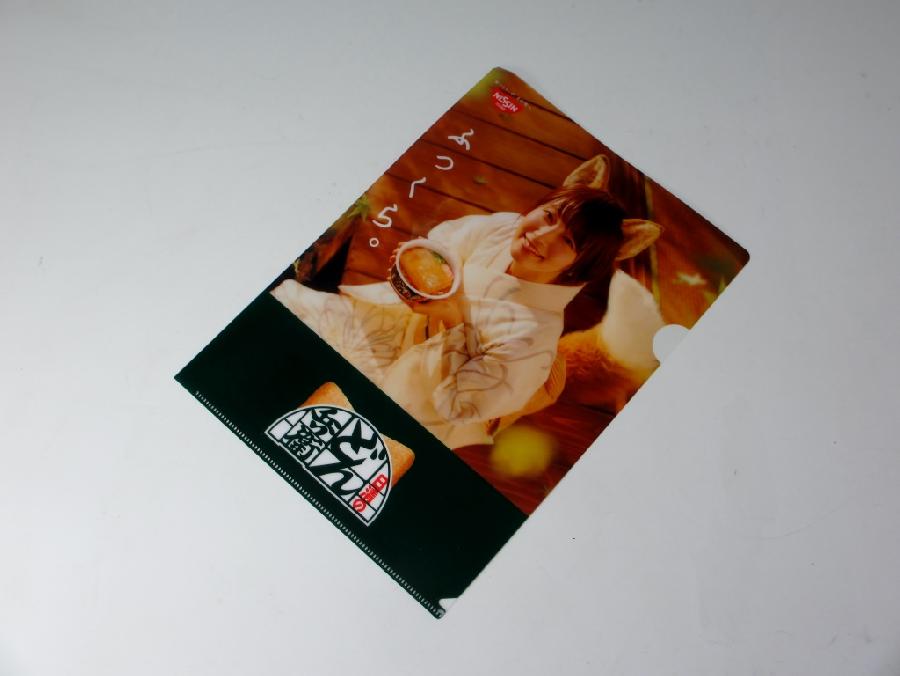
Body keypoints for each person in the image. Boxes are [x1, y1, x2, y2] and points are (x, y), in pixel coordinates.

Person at [272, 185, 657, 448]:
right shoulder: (506, 230)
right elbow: (444, 243)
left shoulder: (534, 335)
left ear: (579, 268)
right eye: (549, 215)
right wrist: (424, 269)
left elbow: (462, 405)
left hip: (419, 391)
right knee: (285, 308)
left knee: (333, 419)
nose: (542, 235)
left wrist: (454, 318)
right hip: (396, 324)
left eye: (568, 241)